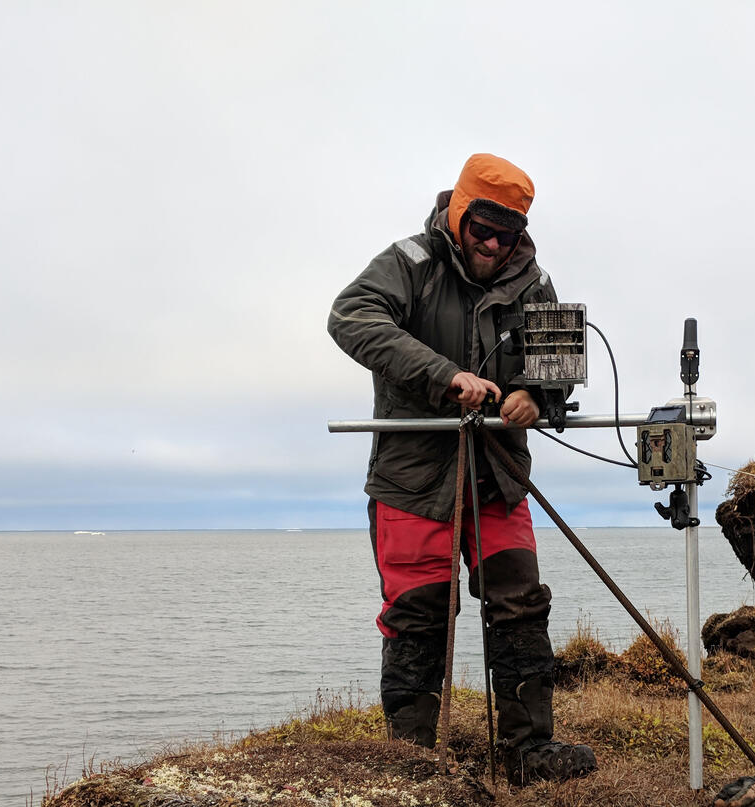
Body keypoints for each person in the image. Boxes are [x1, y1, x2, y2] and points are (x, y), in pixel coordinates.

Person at [327, 153, 596, 785]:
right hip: (413, 482)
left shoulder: (534, 281)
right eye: (483, 227)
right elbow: (351, 317)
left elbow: (555, 365)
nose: (493, 243)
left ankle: (531, 753)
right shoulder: (409, 263)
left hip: (498, 477)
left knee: (521, 605)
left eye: (507, 232)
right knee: (417, 619)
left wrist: (537, 395)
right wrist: (443, 376)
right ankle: (414, 766)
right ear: (459, 210)